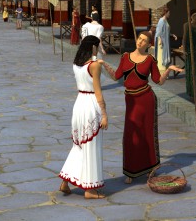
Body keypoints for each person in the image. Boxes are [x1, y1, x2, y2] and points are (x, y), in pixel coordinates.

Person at [99, 31, 183, 184]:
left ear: (149, 45)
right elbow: (116, 76)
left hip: (146, 100)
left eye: (144, 40)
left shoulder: (150, 59)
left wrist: (169, 69)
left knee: (146, 135)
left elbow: (158, 81)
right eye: (139, 38)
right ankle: (130, 171)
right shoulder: (125, 57)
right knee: (131, 136)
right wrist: (104, 63)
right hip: (131, 101)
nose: (140, 42)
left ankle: (150, 167)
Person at [59, 35, 108, 199]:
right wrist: (105, 114)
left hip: (79, 104)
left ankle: (65, 182)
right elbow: (98, 91)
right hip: (90, 105)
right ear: (93, 47)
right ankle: (90, 189)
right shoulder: (94, 66)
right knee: (92, 146)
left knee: (78, 145)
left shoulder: (76, 64)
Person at [182, 9, 196, 100]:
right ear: (190, 17)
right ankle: (193, 94)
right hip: (190, 51)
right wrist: (184, 50)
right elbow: (185, 38)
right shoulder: (187, 25)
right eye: (194, 16)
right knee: (192, 73)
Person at [154, 7, 177, 74]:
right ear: (166, 13)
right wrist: (160, 39)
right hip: (162, 41)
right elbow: (158, 31)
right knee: (162, 56)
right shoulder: (161, 20)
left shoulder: (166, 20)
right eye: (169, 13)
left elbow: (166, 31)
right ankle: (161, 73)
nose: (169, 14)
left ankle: (165, 73)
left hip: (166, 41)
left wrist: (172, 35)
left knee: (166, 55)